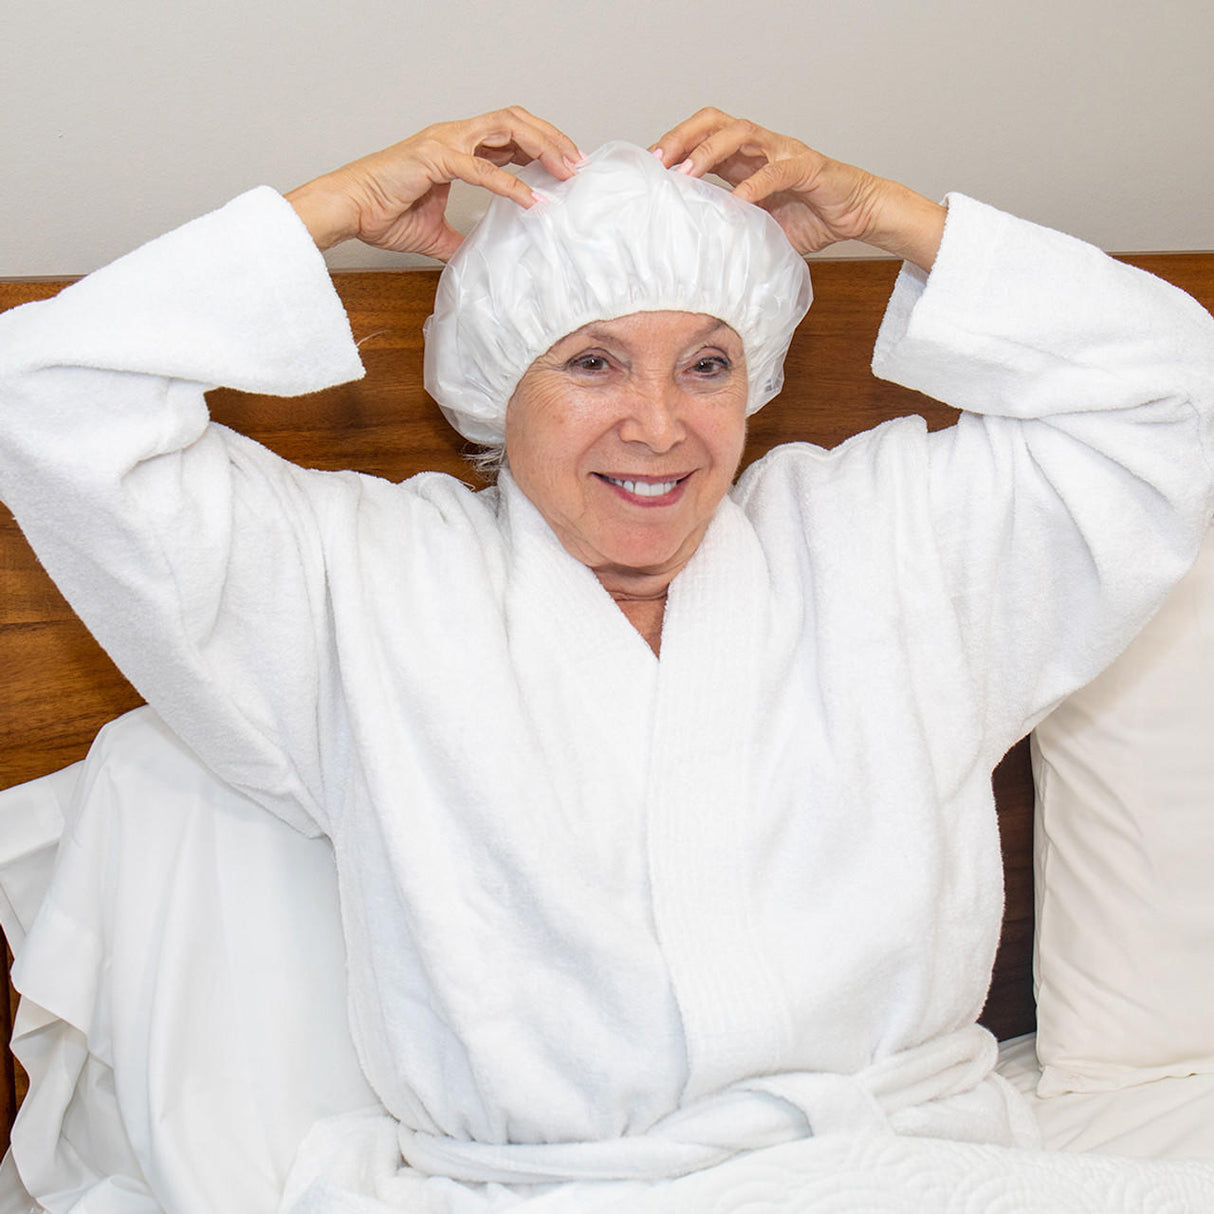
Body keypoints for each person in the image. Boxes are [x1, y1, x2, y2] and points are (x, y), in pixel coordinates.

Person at [1, 106, 1213, 1211]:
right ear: (494, 384)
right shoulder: (355, 586)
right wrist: (333, 208)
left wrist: (879, 214)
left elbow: (1170, 395)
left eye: (705, 363)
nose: (656, 422)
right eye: (590, 362)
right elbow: (47, 400)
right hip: (543, 1192)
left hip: (915, 1162)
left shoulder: (886, 539)